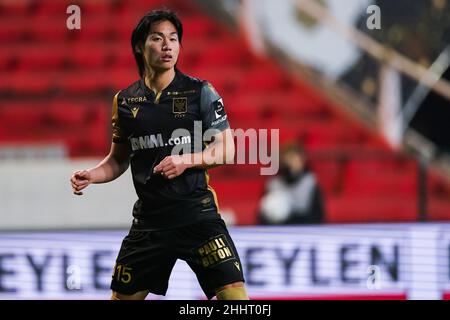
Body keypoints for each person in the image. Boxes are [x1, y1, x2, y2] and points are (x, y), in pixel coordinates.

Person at [70, 10, 248, 300]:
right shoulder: (125, 101)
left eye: (173, 39)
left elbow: (227, 149)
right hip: (150, 224)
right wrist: (92, 174)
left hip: (197, 216)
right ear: (140, 46)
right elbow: (118, 160)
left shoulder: (201, 91)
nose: (168, 45)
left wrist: (186, 160)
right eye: (158, 38)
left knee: (236, 299)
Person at [258, 143, 324, 225]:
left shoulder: (310, 183)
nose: (291, 162)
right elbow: (261, 216)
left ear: (302, 160)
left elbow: (318, 217)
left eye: (294, 158)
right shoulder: (274, 184)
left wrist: (290, 218)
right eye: (288, 158)